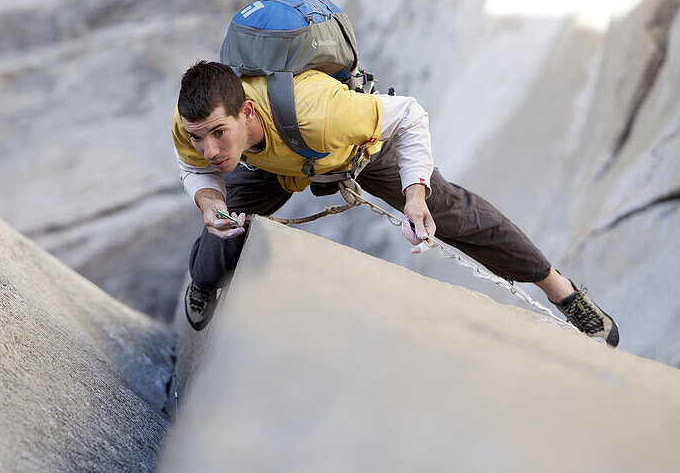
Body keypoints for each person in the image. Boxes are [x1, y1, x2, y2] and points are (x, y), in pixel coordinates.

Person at [172, 60, 619, 346]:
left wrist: (416, 195)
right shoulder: (193, 121)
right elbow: (194, 167)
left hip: (355, 152)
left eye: (218, 134)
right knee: (223, 229)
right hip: (272, 167)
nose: (210, 149)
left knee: (456, 214)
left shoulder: (321, 112)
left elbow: (409, 114)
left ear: (247, 111)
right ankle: (202, 281)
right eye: (199, 137)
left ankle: (561, 291)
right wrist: (209, 199)